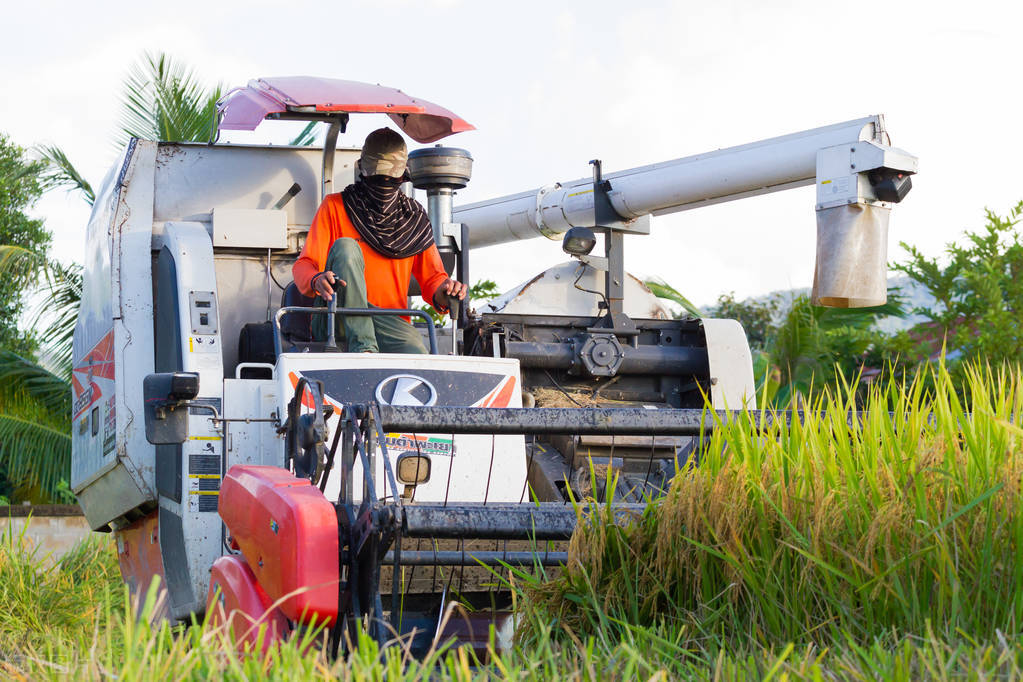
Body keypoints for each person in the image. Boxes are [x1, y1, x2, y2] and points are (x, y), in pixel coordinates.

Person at [292, 128, 467, 353]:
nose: (383, 184)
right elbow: (303, 265)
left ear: (403, 176)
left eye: (390, 179)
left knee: (418, 353)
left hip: (388, 322)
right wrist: (316, 279)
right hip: (336, 318)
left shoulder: (413, 218)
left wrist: (447, 290)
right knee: (346, 247)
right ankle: (364, 349)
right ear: (363, 173)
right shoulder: (335, 206)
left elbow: (433, 278)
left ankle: (369, 346)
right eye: (378, 178)